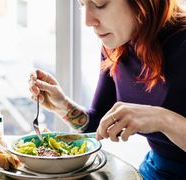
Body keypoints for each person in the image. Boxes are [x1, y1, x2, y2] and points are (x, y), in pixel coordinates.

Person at [29, 0, 186, 179]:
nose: (88, 21)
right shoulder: (117, 44)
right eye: (82, 5)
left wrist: (162, 119)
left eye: (100, 4)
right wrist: (63, 106)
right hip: (155, 171)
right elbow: (99, 122)